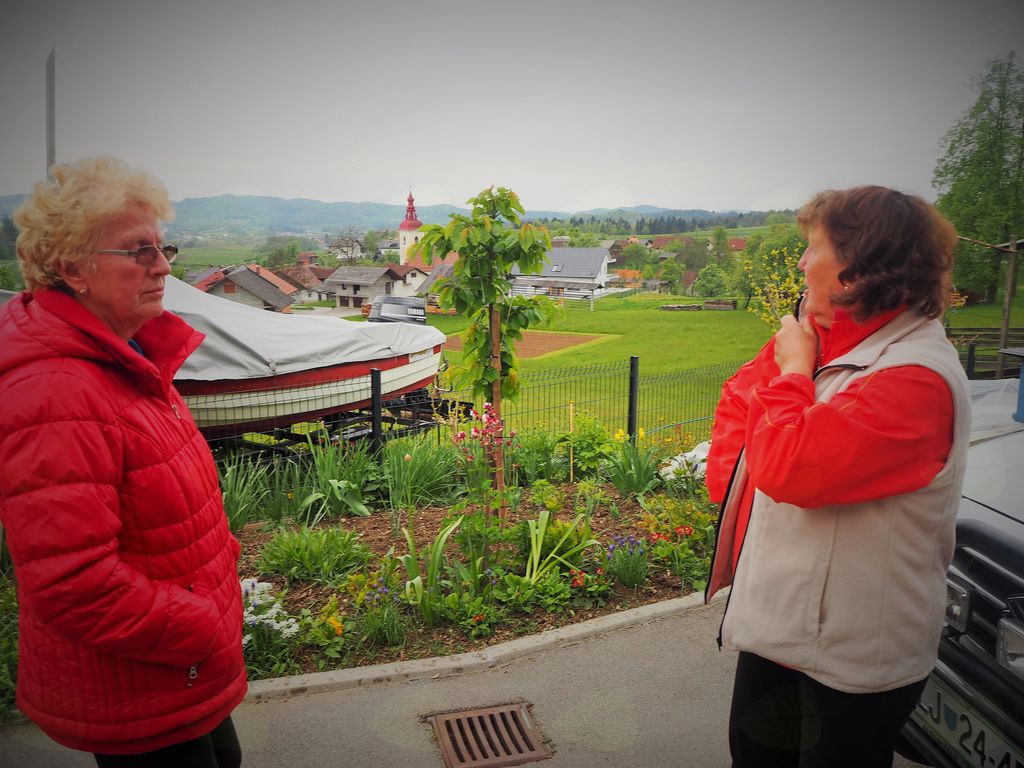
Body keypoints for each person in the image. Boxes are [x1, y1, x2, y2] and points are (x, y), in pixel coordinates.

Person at [704, 185, 970, 768]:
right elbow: (741, 426)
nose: (801, 264)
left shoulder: (914, 379)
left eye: (813, 248)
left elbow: (787, 469)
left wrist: (794, 370)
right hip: (780, 635)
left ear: (855, 270)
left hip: (852, 660)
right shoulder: (829, 344)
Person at [0, 156, 247, 767]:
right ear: (71, 269)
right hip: (141, 681)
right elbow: (72, 583)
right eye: (139, 251)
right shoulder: (56, 391)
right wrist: (202, 623)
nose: (163, 266)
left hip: (175, 668)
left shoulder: (125, 357)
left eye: (163, 247)